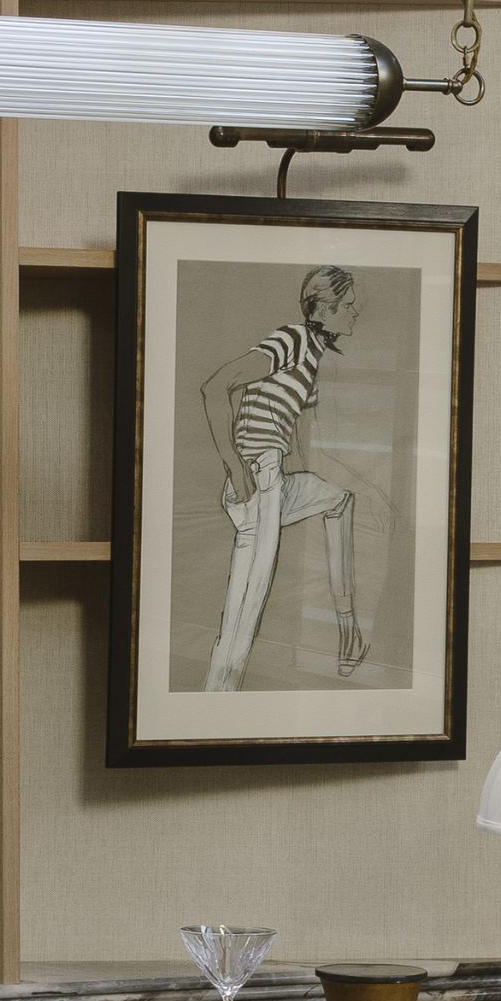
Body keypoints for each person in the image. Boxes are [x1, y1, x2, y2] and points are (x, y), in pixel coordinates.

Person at [198, 265, 364, 690]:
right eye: (347, 305)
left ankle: (348, 631)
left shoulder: (311, 357)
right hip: (257, 476)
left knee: (338, 499)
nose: (355, 311)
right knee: (244, 609)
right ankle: (215, 701)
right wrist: (237, 470)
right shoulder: (292, 338)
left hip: (276, 476)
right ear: (323, 311)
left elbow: (302, 443)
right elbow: (216, 386)